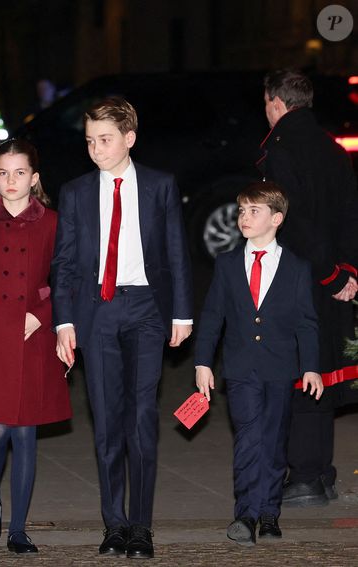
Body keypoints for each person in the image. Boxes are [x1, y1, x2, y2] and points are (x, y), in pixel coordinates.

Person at [51, 97, 193, 559]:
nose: (96, 149)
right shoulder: (74, 192)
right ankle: (114, 524)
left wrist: (182, 314)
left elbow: (176, 251)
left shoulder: (159, 185)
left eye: (105, 139)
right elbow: (66, 263)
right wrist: (64, 321)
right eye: (90, 141)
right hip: (98, 311)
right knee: (107, 421)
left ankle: (142, 525)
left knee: (141, 417)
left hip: (147, 307)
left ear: (129, 139)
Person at [0, 139, 71, 554]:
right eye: (3, 172)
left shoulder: (54, 222)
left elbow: (68, 280)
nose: (10, 180)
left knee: (25, 433)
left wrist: (44, 313)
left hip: (34, 337)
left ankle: (18, 527)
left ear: (34, 179)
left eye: (19, 172)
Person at [195, 182, 323, 546]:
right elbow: (213, 315)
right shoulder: (228, 263)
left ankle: (269, 512)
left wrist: (310, 366)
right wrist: (203, 361)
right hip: (240, 369)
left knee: (273, 441)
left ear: (276, 219)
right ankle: (246, 514)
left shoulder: (296, 268)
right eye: (241, 211)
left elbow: (306, 322)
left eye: (254, 211)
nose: (244, 217)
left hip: (280, 369)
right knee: (249, 439)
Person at [259, 69, 358, 507]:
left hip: (303, 278)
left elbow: (294, 222)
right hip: (335, 277)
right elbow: (350, 215)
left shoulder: (281, 151)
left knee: (298, 373)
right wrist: (347, 273)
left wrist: (328, 274)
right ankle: (321, 472)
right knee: (322, 369)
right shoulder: (333, 148)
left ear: (276, 103)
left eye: (266, 104)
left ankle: (303, 474)